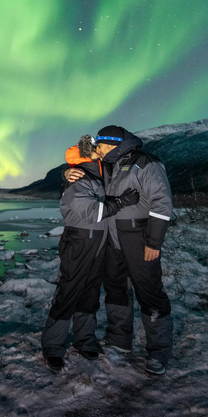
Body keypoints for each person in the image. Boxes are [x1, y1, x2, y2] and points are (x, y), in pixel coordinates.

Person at [65, 125, 174, 375]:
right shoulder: (108, 165)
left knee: (150, 292)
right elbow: (80, 163)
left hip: (139, 238)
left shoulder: (146, 163)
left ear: (113, 144)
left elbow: (162, 203)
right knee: (116, 289)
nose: (97, 150)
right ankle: (119, 340)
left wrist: (153, 242)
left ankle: (158, 351)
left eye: (100, 146)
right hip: (112, 239)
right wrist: (67, 174)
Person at [41, 135, 139, 372]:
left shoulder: (98, 174)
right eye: (98, 149)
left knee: (90, 292)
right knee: (69, 291)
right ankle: (53, 346)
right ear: (89, 153)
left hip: (98, 243)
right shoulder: (79, 178)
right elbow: (92, 211)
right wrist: (122, 202)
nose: (103, 152)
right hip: (79, 242)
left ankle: (84, 339)